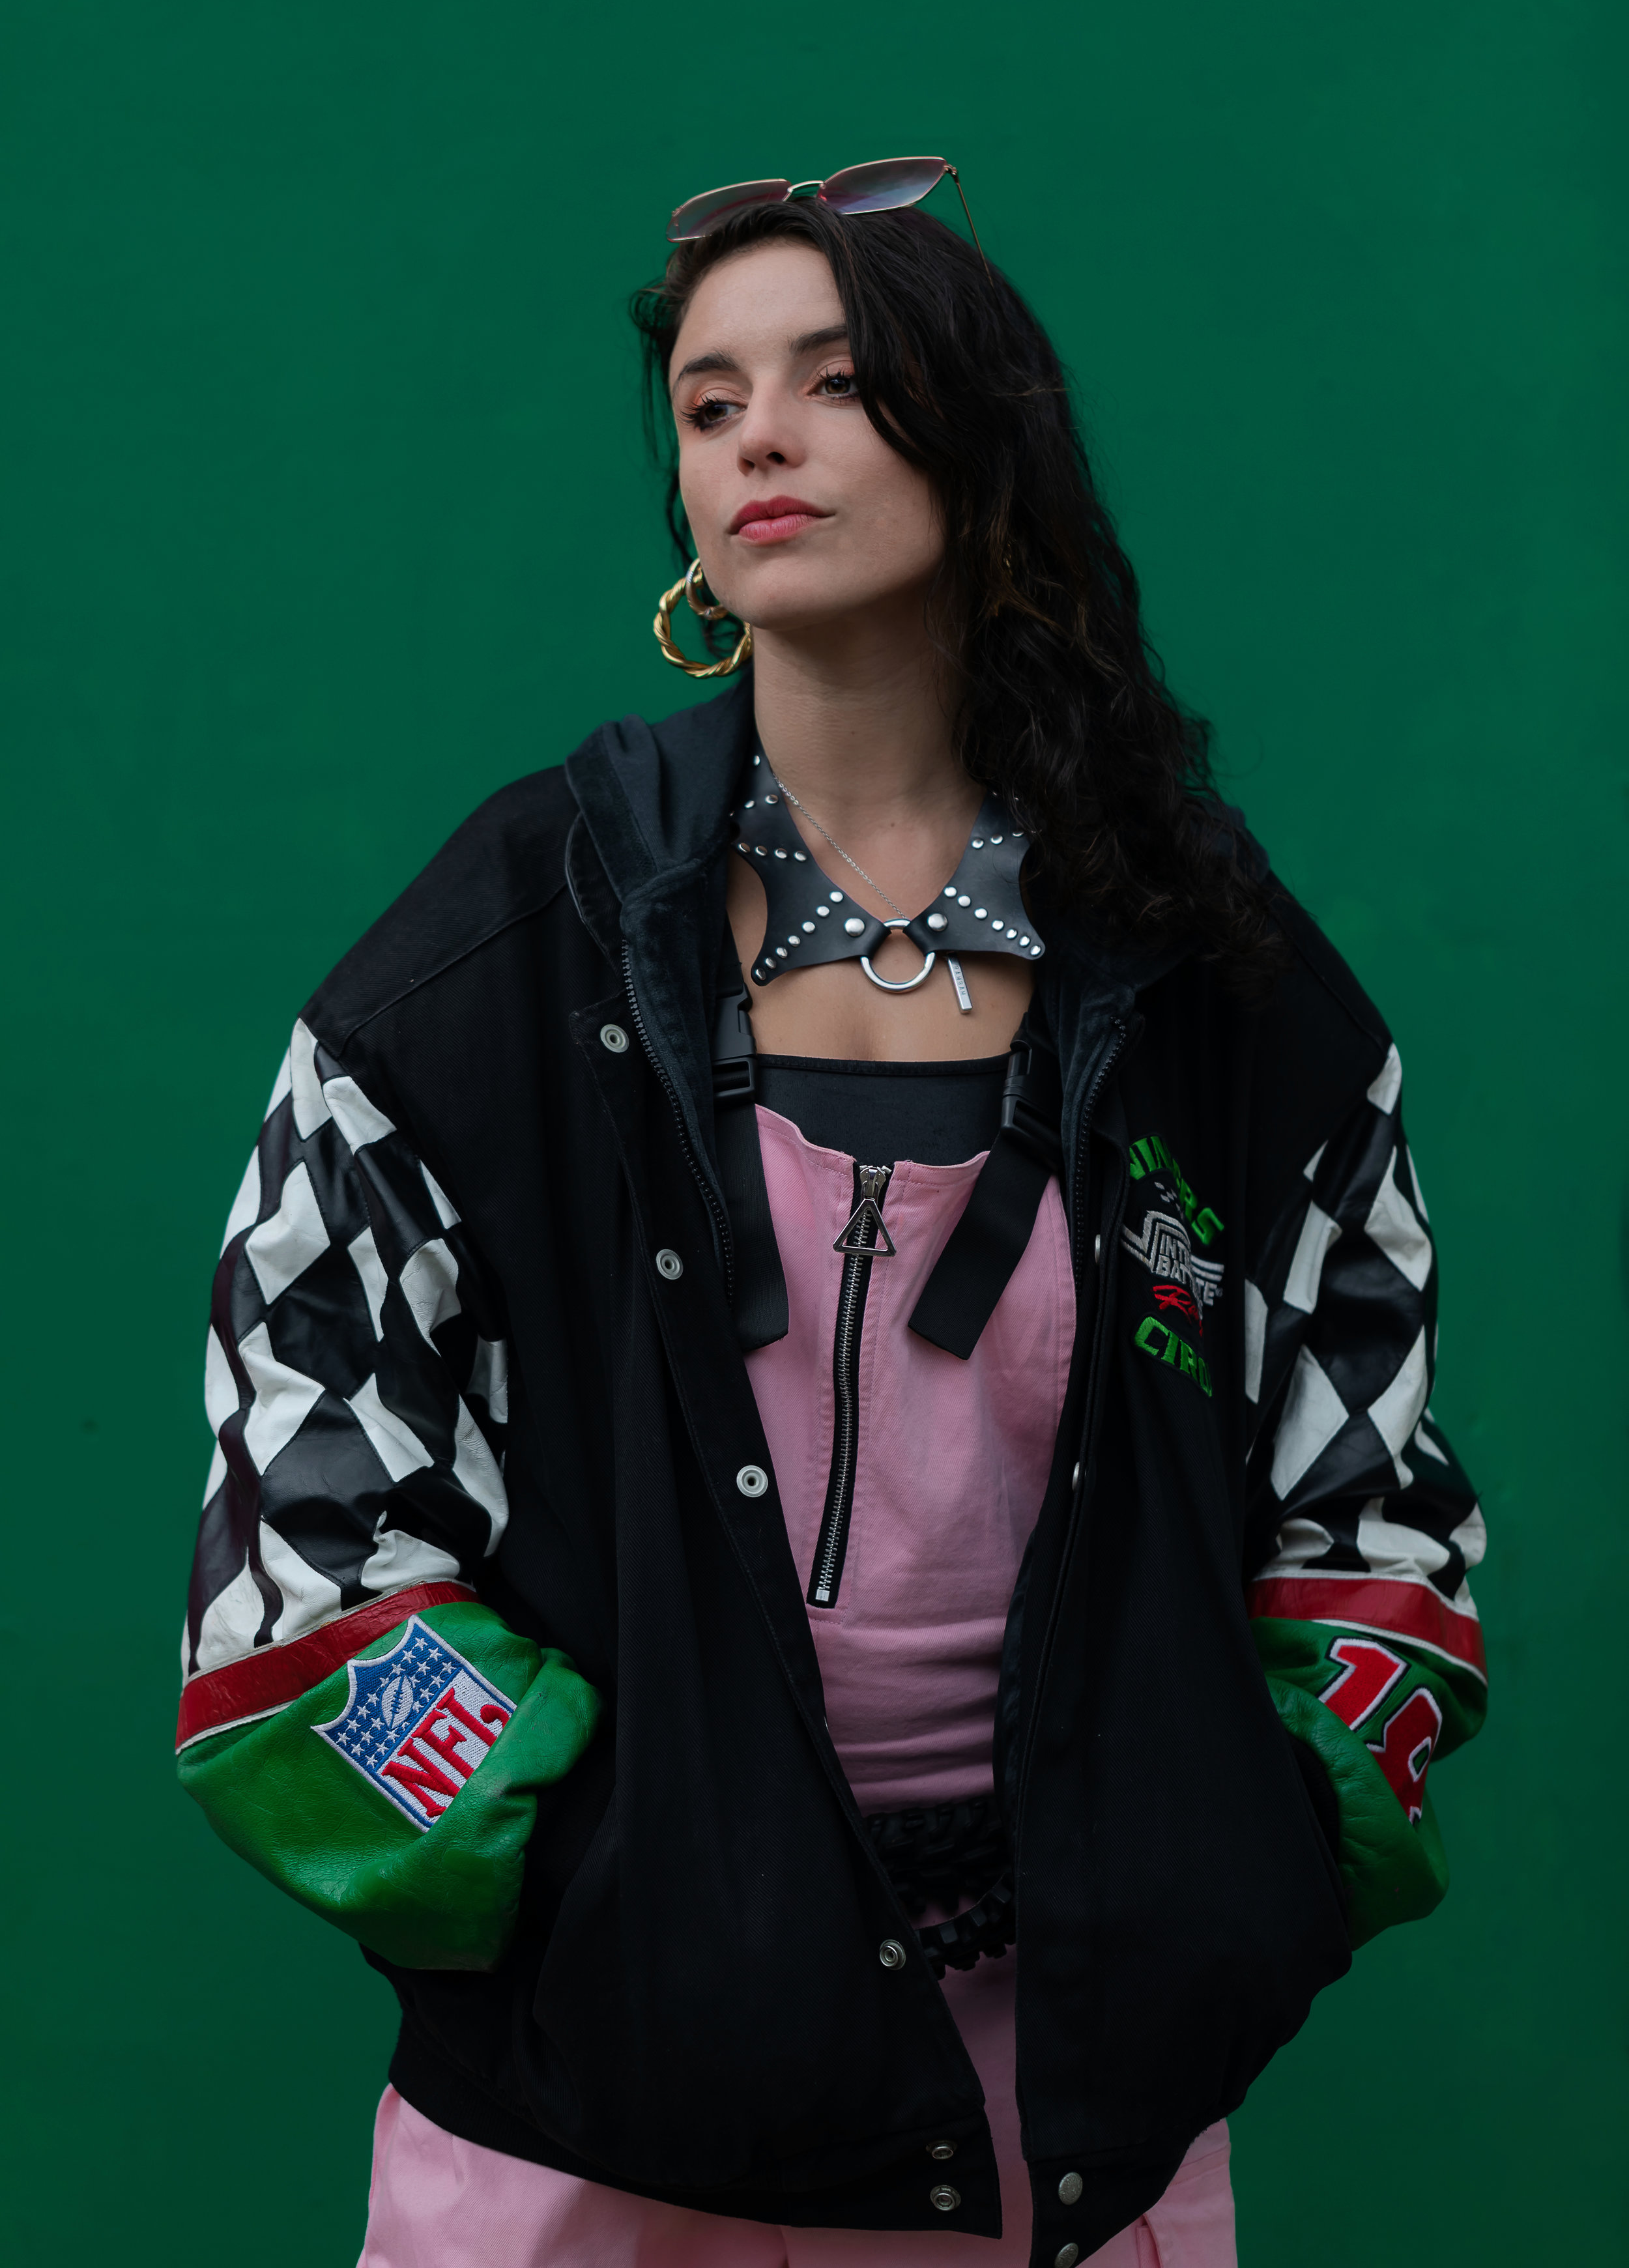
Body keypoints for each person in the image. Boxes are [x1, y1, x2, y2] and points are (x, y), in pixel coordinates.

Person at [175, 160, 1488, 2268]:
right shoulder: (502, 947)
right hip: (593, 2112)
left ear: (986, 449)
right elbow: (296, 1519)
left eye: (836, 381)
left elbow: (1373, 1504)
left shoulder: (1205, 966)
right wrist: (607, 1892)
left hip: (1066, 2102)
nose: (756, 440)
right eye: (708, 405)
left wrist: (1221, 1858)